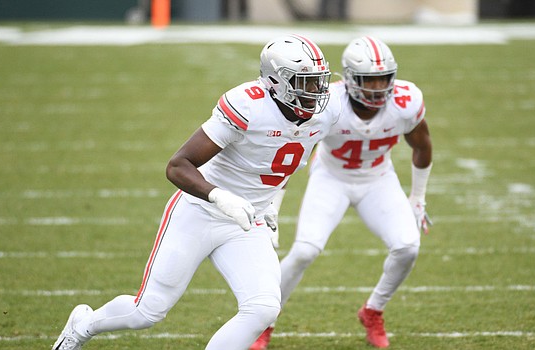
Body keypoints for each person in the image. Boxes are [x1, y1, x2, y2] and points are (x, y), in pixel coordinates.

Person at [51, 34, 340, 350]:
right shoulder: (247, 106)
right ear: (276, 81)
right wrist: (220, 196)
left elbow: (282, 166)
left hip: (247, 221)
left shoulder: (325, 114)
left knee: (263, 308)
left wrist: (272, 205)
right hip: (199, 211)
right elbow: (178, 165)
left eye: (318, 82)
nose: (316, 92)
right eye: (306, 83)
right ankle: (82, 326)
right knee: (148, 310)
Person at [251, 36, 433, 349]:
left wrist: (417, 198)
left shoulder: (406, 101)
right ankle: (261, 323)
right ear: (349, 78)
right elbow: (291, 156)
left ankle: (373, 310)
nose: (377, 88)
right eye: (368, 80)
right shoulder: (329, 105)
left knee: (407, 247)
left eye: (383, 79)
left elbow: (422, 145)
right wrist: (272, 204)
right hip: (331, 177)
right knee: (305, 250)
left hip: (379, 178)